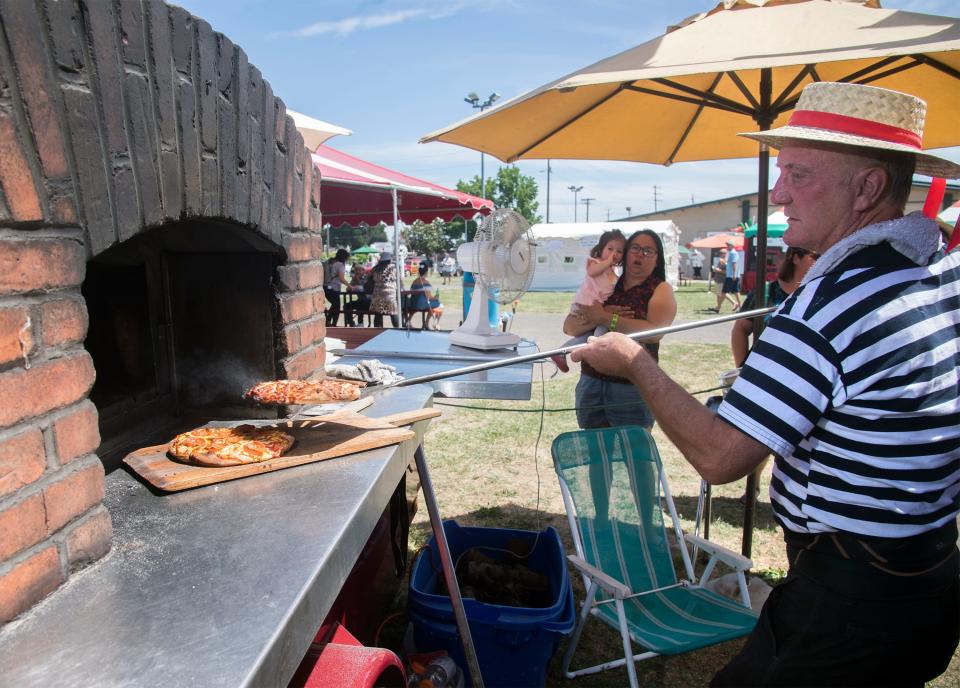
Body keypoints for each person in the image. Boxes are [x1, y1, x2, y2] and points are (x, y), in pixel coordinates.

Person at [570, 81, 960, 686]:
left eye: (799, 174)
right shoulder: (939, 268)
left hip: (848, 603)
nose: (778, 195)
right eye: (780, 174)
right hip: (930, 576)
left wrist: (636, 362)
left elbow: (721, 457)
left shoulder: (829, 304)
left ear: (868, 188)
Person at [562, 229, 677, 430]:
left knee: (634, 455)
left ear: (657, 260)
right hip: (592, 382)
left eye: (648, 250)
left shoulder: (660, 289)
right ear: (624, 254)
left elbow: (655, 333)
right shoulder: (605, 283)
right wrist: (598, 316)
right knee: (595, 453)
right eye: (635, 248)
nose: (640, 254)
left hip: (632, 385)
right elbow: (570, 327)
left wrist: (606, 318)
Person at [729, 246, 818, 367]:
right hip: (764, 371)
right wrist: (741, 369)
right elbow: (740, 329)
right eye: (816, 257)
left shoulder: (821, 295)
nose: (823, 260)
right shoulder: (765, 291)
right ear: (796, 257)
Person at [552, 230, 626, 372]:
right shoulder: (595, 262)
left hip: (597, 308)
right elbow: (592, 272)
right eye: (610, 249)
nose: (614, 254)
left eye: (619, 251)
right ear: (601, 249)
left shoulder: (614, 271)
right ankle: (595, 345)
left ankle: (561, 351)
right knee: (601, 327)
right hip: (586, 303)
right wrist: (608, 261)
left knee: (592, 332)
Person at [369, 250, 399, 328]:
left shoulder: (375, 269)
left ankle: (376, 332)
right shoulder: (393, 268)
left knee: (378, 314)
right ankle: (398, 329)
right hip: (390, 294)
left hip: (377, 294)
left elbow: (369, 277)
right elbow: (399, 280)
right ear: (389, 259)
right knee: (393, 313)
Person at [409, 263, 443, 330]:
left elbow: (411, 291)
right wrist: (436, 297)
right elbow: (429, 297)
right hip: (422, 304)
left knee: (432, 304)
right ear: (426, 272)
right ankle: (433, 323)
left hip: (413, 303)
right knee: (439, 305)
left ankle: (409, 321)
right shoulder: (426, 283)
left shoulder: (414, 282)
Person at [323, 249, 352, 326]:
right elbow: (341, 278)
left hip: (325, 287)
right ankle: (333, 324)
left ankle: (328, 320)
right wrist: (349, 286)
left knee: (334, 305)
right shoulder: (340, 265)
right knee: (337, 307)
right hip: (334, 288)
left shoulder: (330, 262)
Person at [343, 263, 372, 327]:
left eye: (359, 270)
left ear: (363, 271)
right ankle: (351, 323)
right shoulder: (354, 279)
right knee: (346, 306)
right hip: (360, 300)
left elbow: (365, 288)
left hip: (369, 301)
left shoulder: (366, 278)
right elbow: (348, 289)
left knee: (361, 303)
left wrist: (357, 281)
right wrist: (351, 286)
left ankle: (360, 323)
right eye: (356, 270)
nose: (357, 272)